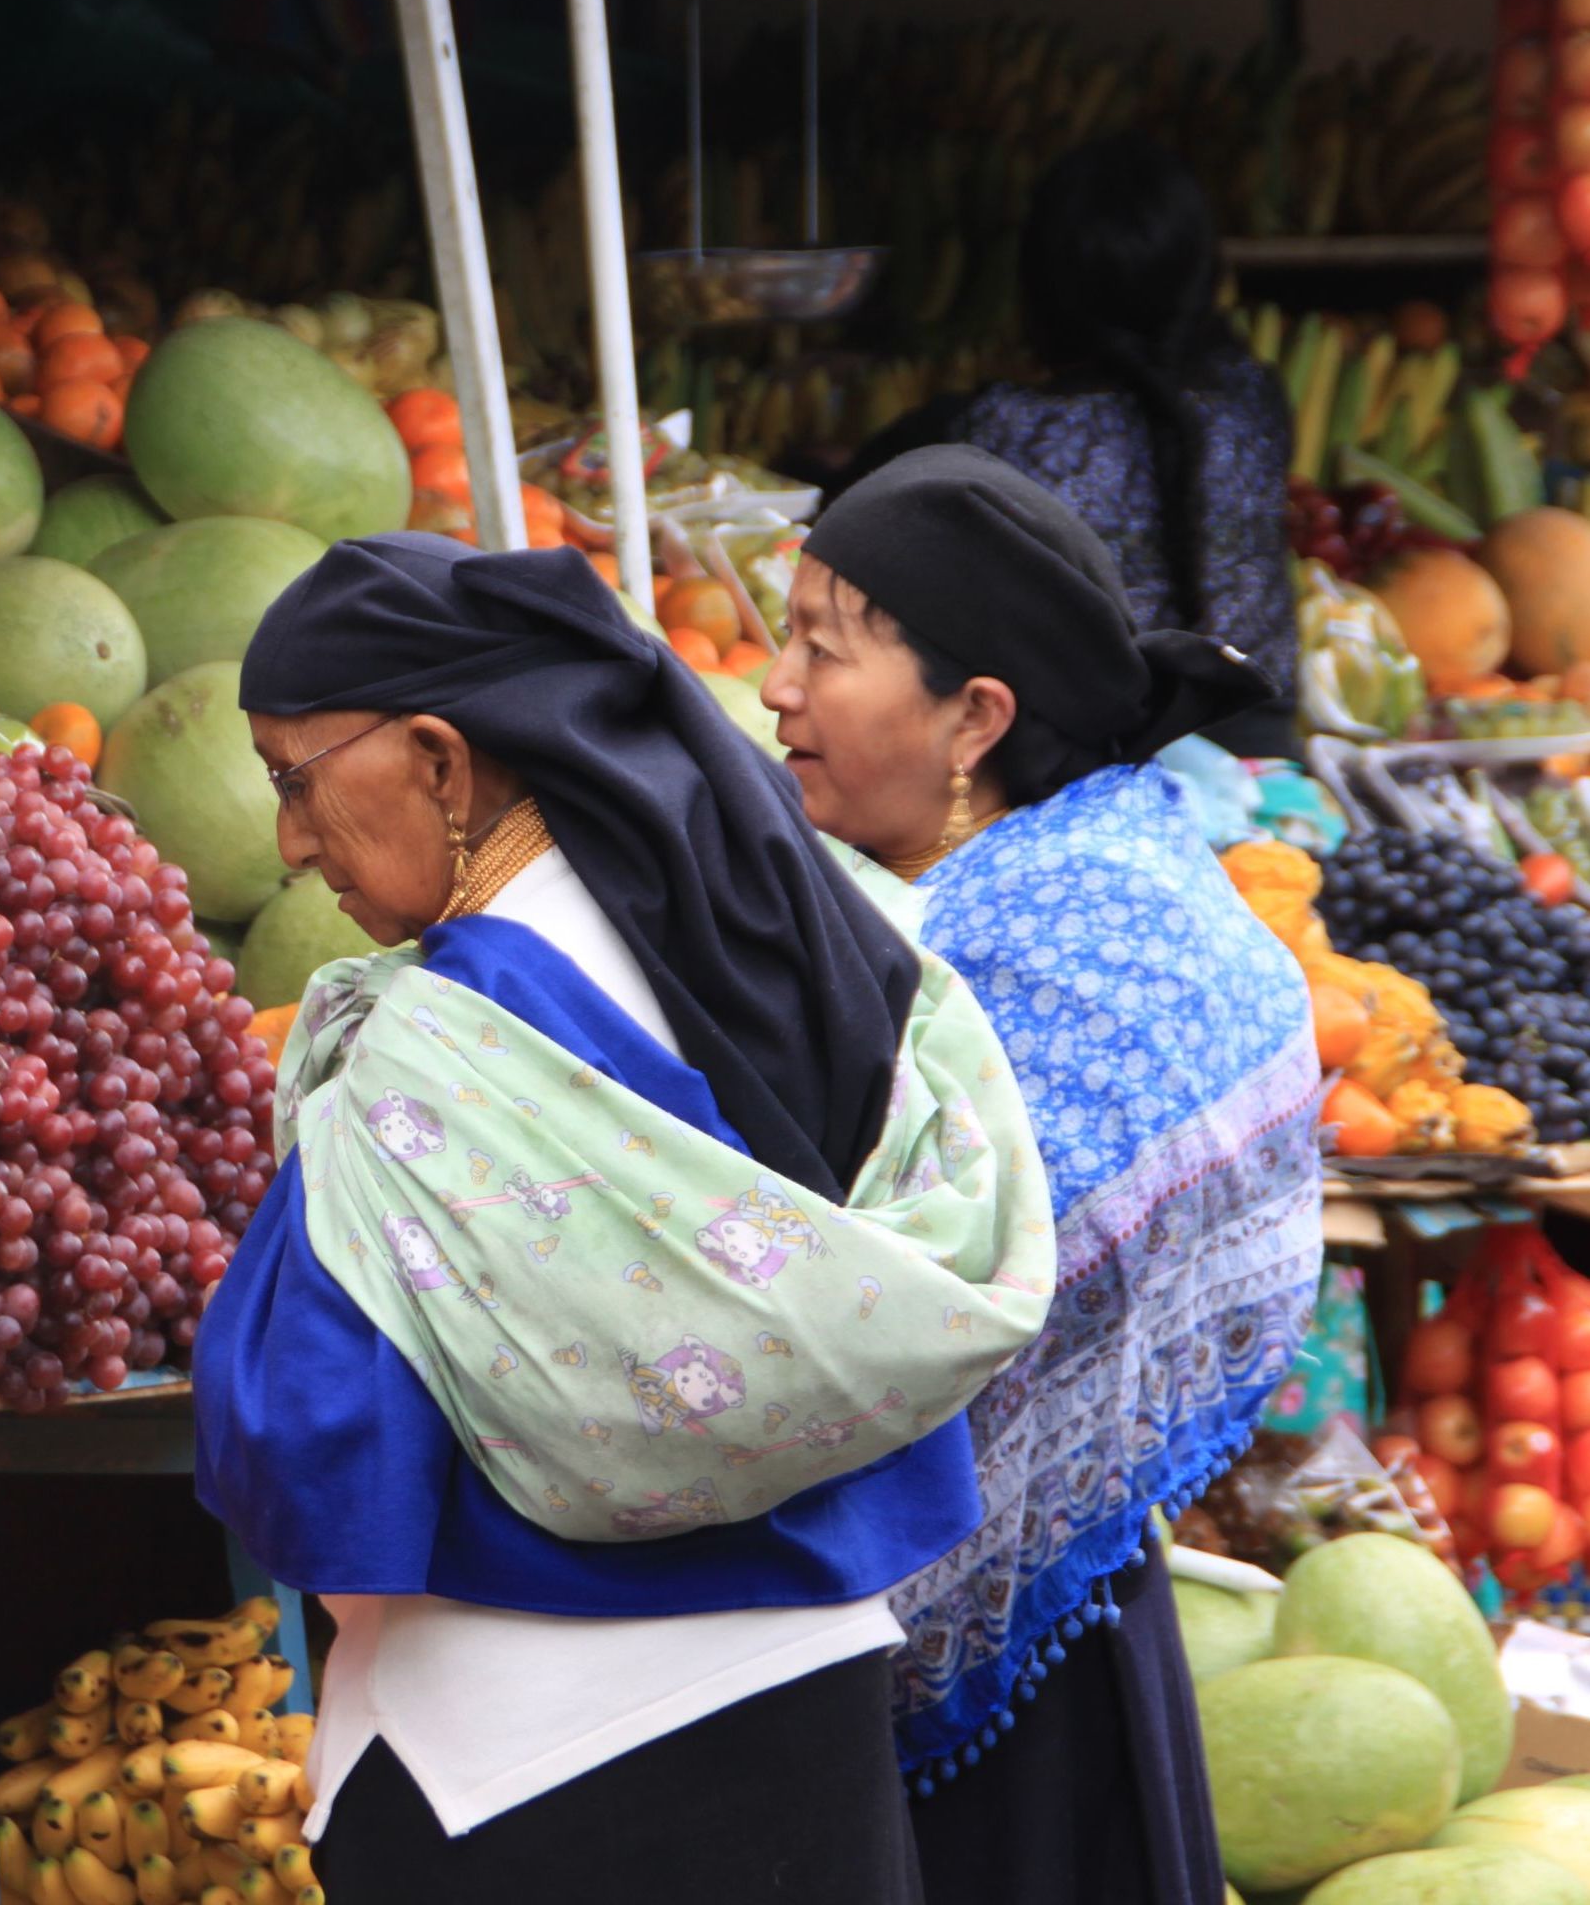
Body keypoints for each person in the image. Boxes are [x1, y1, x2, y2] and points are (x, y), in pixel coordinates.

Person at [192, 533, 1062, 1903]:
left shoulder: (424, 1065)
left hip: (520, 1773)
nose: (292, 843)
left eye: (294, 780)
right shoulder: (832, 943)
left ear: (434, 757)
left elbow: (305, 1448)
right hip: (815, 1712)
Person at [759, 445, 1324, 1905]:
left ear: (974, 718)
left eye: (819, 648)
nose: (771, 688)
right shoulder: (922, 916)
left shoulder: (1058, 936)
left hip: (1036, 1643)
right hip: (998, 1632)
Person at [849, 132, 1297, 756]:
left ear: (1037, 289)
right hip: (1269, 762)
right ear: (1203, 277)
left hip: (1092, 783)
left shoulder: (992, 431)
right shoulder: (1258, 404)